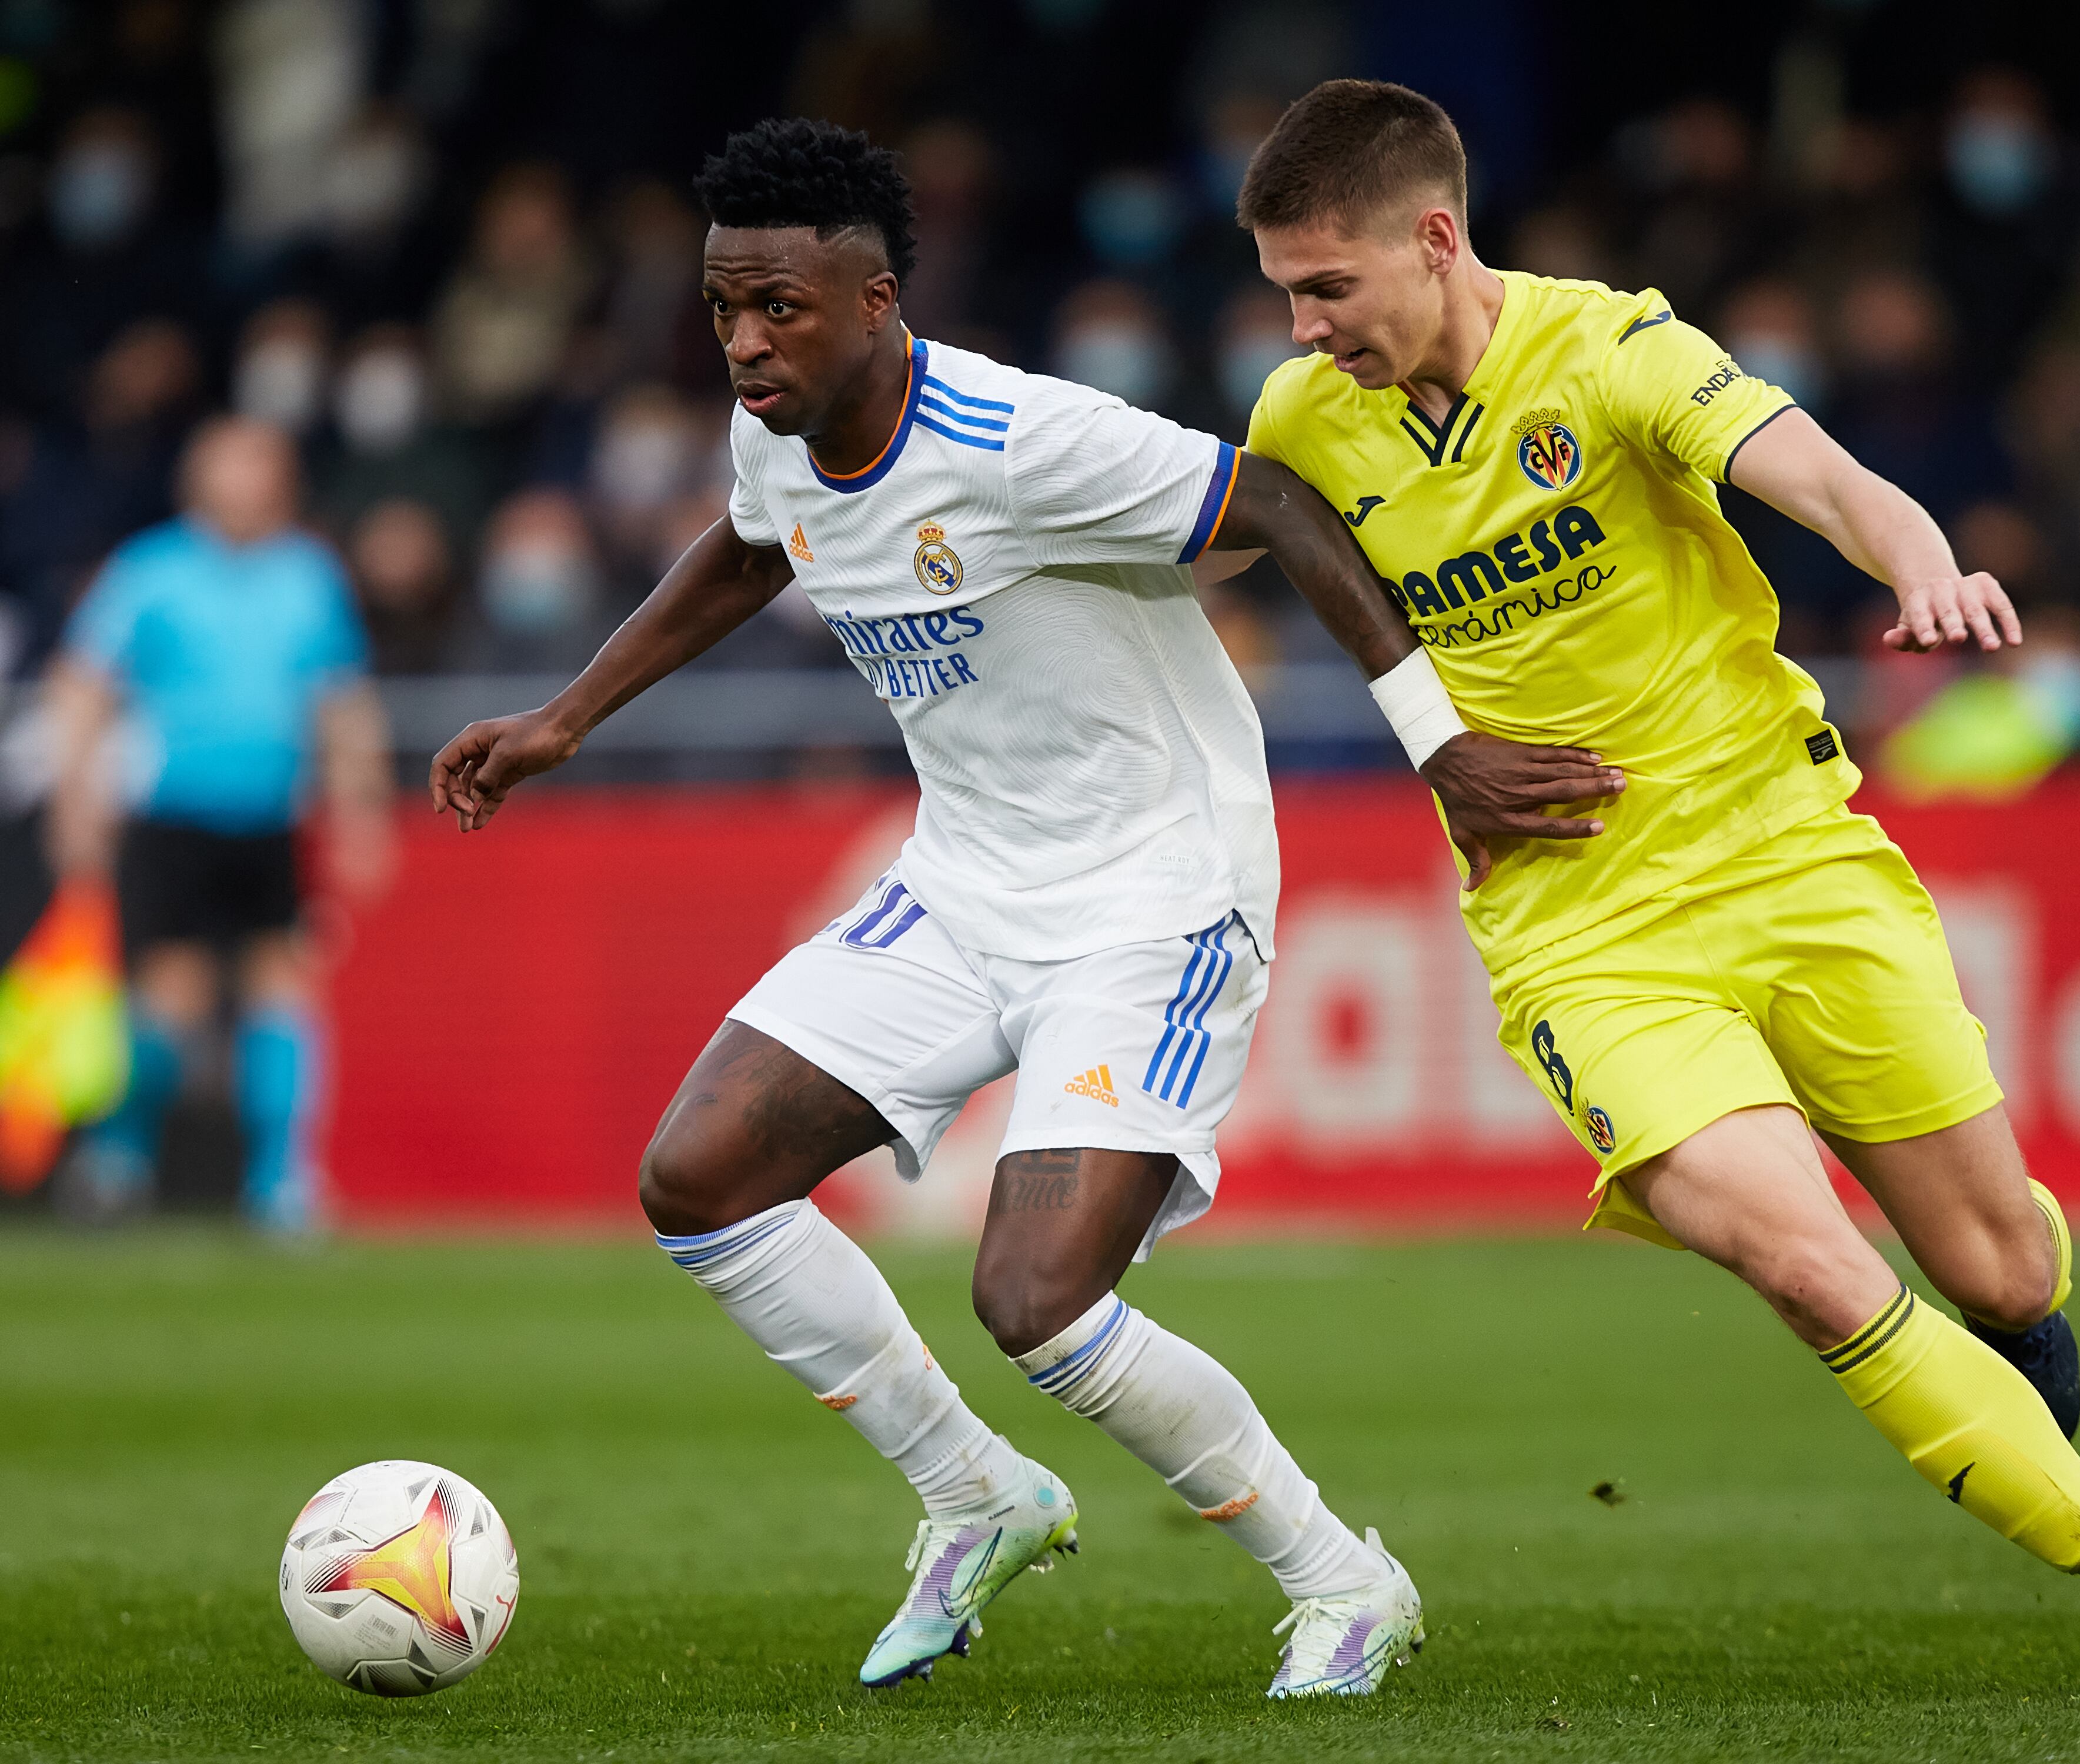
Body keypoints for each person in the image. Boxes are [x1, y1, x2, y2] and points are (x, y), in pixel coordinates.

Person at [427, 118, 1604, 1698]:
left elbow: (1285, 507)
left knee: (1035, 1298)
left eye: (779, 308)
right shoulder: (775, 429)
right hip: (967, 880)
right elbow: (754, 545)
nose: (746, 344)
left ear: (877, 300)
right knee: (699, 1178)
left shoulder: (1018, 436)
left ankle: (1344, 1580)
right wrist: (571, 716)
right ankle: (977, 1493)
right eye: (723, 310)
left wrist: (1440, 745)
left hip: (1156, 897)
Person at [1230, 79, 2080, 1709]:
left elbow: (1831, 482)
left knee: (2002, 1277)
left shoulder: (1616, 350)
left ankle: (2002, 1328)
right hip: (1579, 928)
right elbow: (1217, 539)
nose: (1300, 328)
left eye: (1327, 288)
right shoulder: (1308, 419)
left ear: (1434, 240)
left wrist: (1922, 565)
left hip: (1789, 853)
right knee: (1804, 1261)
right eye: (1285, 292)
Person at [46, 416, 394, 1231]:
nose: (246, 483)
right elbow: (83, 686)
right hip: (176, 816)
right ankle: (119, 1155)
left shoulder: (308, 576)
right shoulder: (150, 572)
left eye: (260, 466)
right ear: (197, 478)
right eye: (230, 466)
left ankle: (283, 1182)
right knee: (171, 1000)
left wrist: (362, 809)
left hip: (271, 818)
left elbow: (342, 704)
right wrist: (77, 799)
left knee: (284, 985)